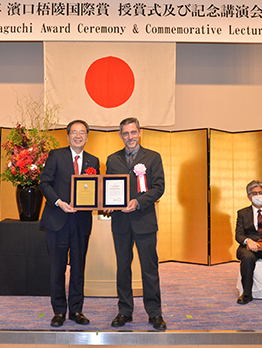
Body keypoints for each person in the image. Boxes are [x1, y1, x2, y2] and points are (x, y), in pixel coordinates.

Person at [104, 117, 167, 330]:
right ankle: (124, 311)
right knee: (123, 268)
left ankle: (155, 313)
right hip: (120, 223)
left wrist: (138, 202)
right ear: (120, 135)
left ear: (139, 132)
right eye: (125, 133)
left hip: (144, 221)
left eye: (133, 132)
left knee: (149, 269)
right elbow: (108, 187)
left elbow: (159, 187)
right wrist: (107, 203)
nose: (129, 137)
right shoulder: (112, 159)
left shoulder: (153, 157)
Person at [39, 120, 100, 327]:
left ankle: (76, 310)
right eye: (74, 132)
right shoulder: (56, 156)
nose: (78, 136)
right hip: (57, 220)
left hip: (81, 223)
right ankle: (58, 311)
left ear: (87, 136)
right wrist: (59, 202)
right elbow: (44, 183)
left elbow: (95, 189)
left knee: (78, 268)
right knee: (57, 268)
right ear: (67, 136)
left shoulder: (93, 161)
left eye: (82, 132)